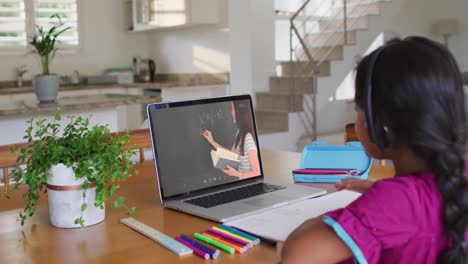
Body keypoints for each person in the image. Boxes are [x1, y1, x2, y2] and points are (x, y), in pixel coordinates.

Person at [281, 36, 468, 264]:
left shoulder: (396, 202)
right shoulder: (456, 177)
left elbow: (296, 257)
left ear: (382, 122)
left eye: (358, 106)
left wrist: (355, 213)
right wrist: (377, 192)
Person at [202, 101, 260, 179]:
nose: (231, 112)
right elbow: (231, 154)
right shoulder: (240, 133)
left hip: (250, 183)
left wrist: (236, 173)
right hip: (242, 181)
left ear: (238, 114)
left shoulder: (248, 140)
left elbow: (257, 173)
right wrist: (211, 141)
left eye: (232, 109)